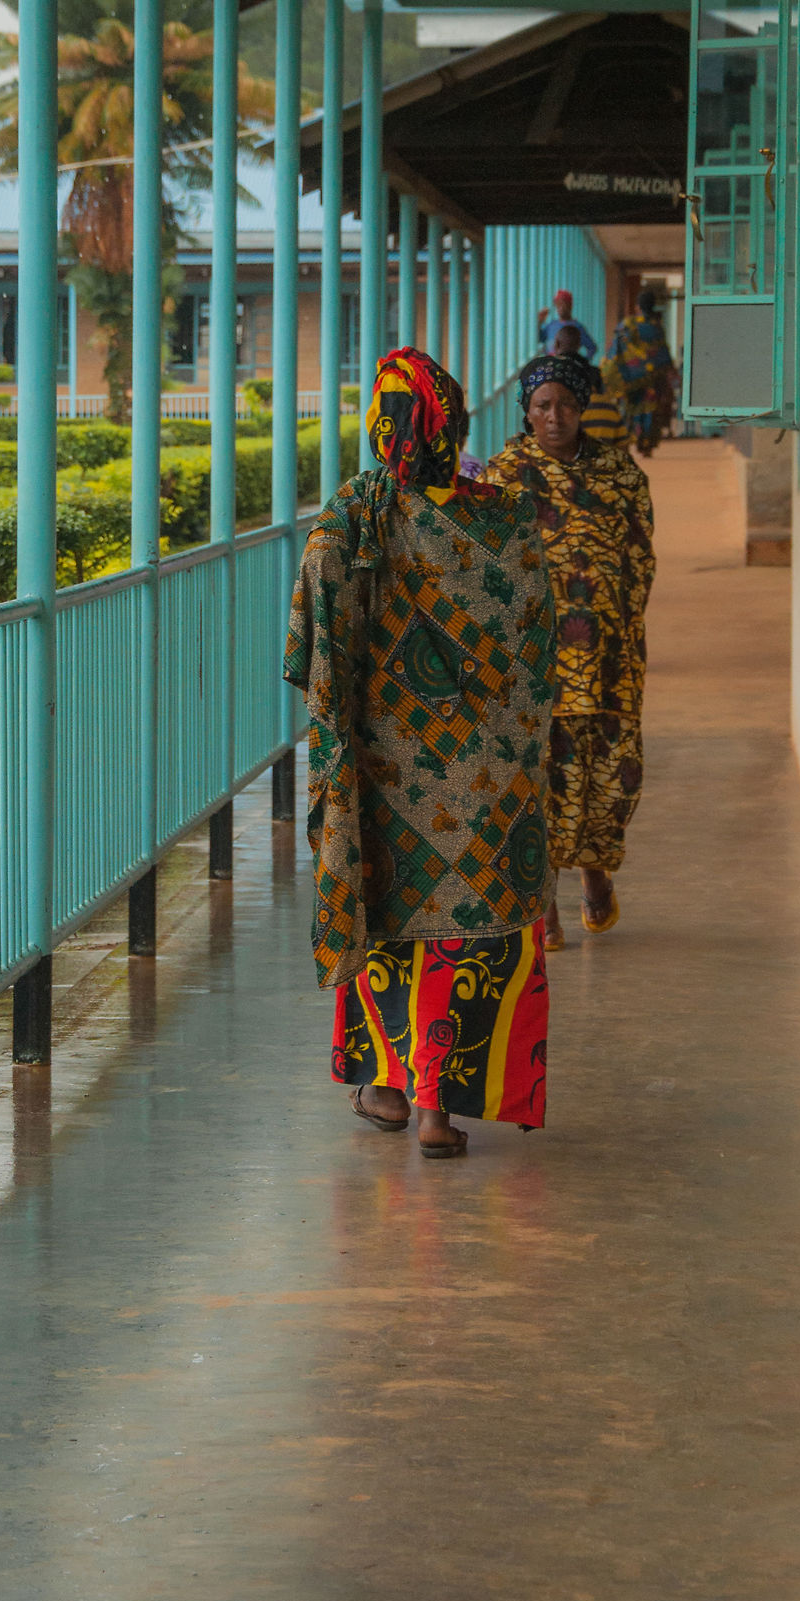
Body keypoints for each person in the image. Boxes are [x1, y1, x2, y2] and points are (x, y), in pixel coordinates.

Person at [285, 347, 558, 1157]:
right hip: (488, 784)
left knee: (388, 917)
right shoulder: (502, 517)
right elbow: (536, 642)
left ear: (382, 426)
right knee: (467, 933)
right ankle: (444, 1111)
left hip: (388, 776)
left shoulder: (353, 516)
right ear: (454, 425)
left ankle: (392, 1090)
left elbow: (311, 640)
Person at [483, 351, 655, 948]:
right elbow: (488, 572)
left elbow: (640, 561)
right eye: (542, 406)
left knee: (605, 772)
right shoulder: (502, 478)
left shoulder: (621, 475)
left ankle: (595, 870)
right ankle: (545, 904)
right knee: (539, 777)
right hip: (537, 664)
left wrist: (622, 631)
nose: (554, 417)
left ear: (583, 409)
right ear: (526, 412)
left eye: (565, 405)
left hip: (606, 658)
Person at [605, 287, 676, 455]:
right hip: (652, 378)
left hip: (631, 378)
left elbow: (617, 348)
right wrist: (668, 370)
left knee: (630, 409)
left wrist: (614, 370)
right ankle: (647, 444)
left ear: (637, 306)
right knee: (650, 409)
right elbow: (663, 353)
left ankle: (628, 441)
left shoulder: (628, 325)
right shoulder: (657, 327)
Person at [553, 320, 627, 447]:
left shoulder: (551, 373)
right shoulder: (593, 372)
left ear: (556, 345)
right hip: (601, 437)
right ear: (579, 345)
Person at [538, 288, 597, 362]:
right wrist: (540, 322)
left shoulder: (577, 327)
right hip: (551, 365)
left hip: (568, 367)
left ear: (570, 306)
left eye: (563, 304)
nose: (561, 308)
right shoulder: (551, 325)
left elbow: (592, 347)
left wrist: (583, 363)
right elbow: (540, 338)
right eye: (558, 305)